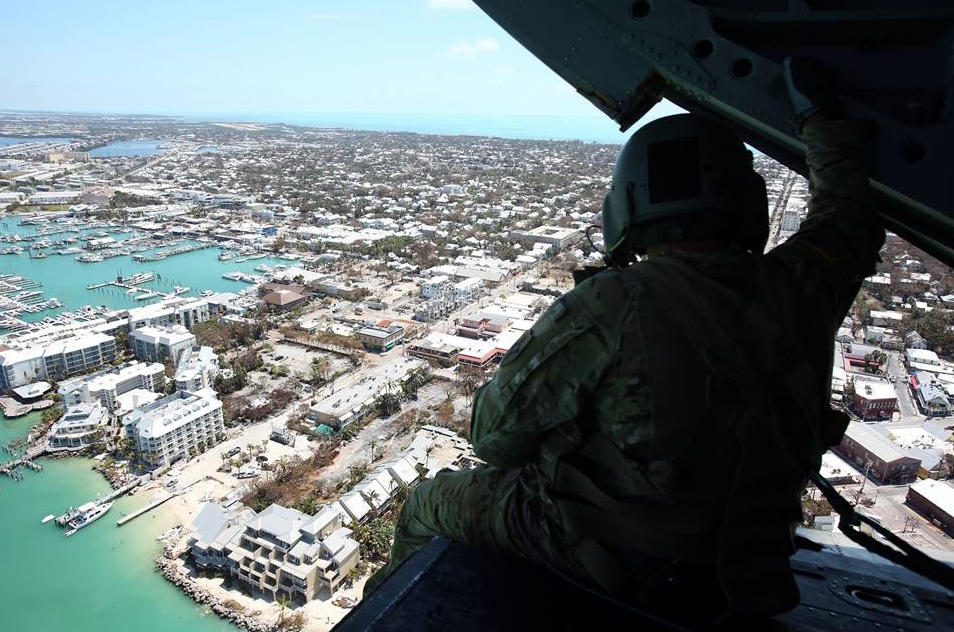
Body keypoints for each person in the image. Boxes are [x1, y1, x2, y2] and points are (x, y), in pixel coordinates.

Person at [366, 93, 883, 621]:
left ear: (627, 208)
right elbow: (849, 218)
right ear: (747, 202)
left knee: (427, 503)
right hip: (751, 569)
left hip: (617, 560)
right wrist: (820, 116)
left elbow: (494, 440)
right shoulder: (805, 283)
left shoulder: (610, 303)